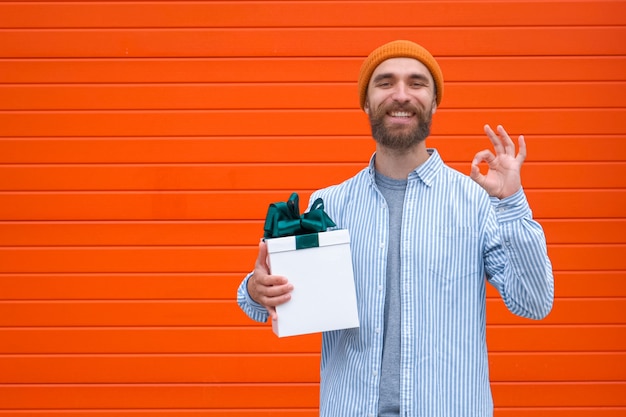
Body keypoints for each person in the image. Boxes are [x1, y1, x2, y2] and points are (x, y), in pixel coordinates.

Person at [237, 40, 554, 417]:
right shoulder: (329, 205)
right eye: (385, 83)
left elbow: (534, 302)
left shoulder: (477, 202)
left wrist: (511, 203)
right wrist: (259, 290)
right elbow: (259, 301)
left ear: (434, 102)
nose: (401, 95)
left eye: (417, 83)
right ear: (367, 103)